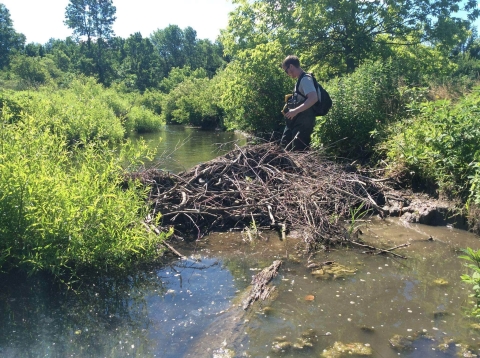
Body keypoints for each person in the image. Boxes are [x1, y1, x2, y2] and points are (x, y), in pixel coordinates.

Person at [280, 55, 318, 151]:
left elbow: (313, 98)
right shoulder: (299, 80)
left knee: (298, 151)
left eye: (286, 70)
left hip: (304, 123)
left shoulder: (305, 79)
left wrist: (295, 111)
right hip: (295, 121)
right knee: (284, 146)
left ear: (291, 66)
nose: (287, 73)